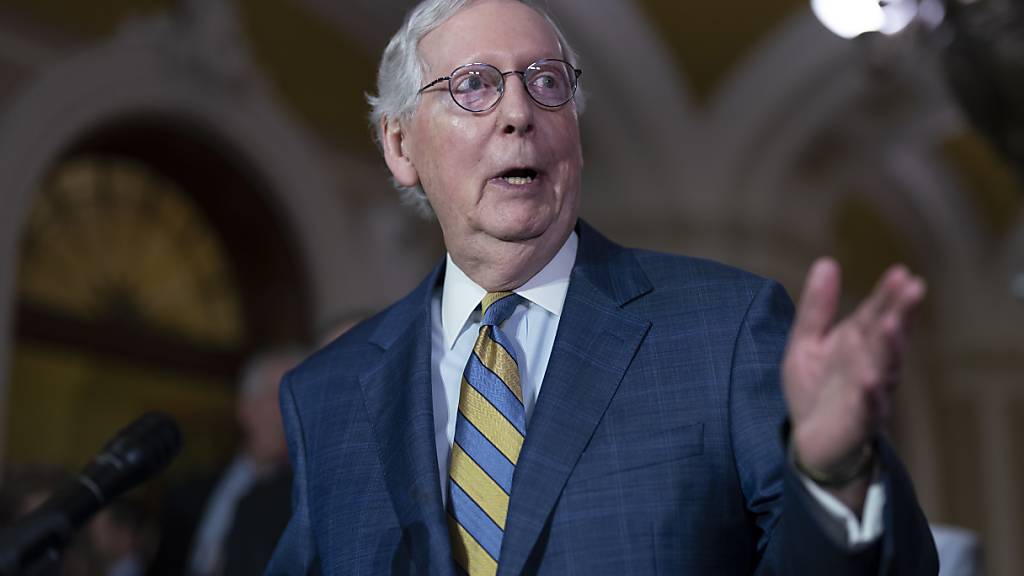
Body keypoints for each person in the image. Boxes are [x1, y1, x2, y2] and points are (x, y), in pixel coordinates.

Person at [266, 0, 939, 574]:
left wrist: (834, 477)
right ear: (400, 146)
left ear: (575, 139)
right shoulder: (326, 393)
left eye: (547, 82)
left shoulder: (725, 330)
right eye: (474, 85)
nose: (519, 114)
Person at [152, 347, 303, 576]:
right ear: (245, 407)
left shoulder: (303, 503)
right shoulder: (187, 492)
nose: (287, 411)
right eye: (276, 397)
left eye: (297, 400)